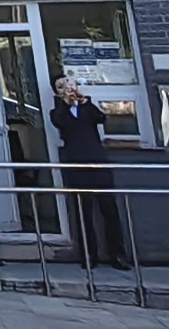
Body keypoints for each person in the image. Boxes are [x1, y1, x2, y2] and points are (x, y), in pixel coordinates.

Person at [53, 72, 126, 270]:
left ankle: (117, 254)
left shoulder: (87, 107)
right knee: (83, 212)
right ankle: (88, 255)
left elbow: (101, 118)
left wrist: (84, 102)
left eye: (69, 85)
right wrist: (66, 104)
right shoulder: (58, 112)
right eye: (61, 87)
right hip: (77, 166)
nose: (67, 90)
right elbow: (60, 122)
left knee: (109, 210)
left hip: (97, 164)